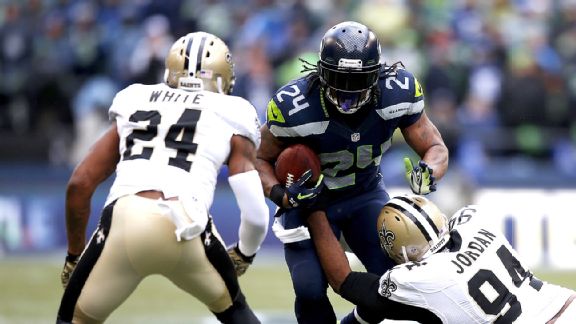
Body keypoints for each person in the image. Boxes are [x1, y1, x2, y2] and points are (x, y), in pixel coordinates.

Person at [56, 32, 269, 324]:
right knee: (236, 311)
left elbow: (80, 184)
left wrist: (73, 256)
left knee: (73, 320)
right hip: (186, 222)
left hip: (125, 217)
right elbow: (256, 214)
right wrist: (245, 254)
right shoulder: (234, 111)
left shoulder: (136, 97)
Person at [255, 21, 449, 323]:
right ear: (320, 71)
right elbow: (258, 158)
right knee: (309, 289)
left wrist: (430, 169)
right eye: (338, 78)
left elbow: (435, 146)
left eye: (358, 79)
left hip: (364, 194)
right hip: (308, 202)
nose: (347, 90)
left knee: (394, 283)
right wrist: (280, 194)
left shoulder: (397, 93)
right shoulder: (295, 107)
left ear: (377, 73)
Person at [307, 195, 576, 323]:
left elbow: (344, 281)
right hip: (566, 303)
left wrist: (313, 208)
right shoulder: (475, 221)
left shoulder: (421, 278)